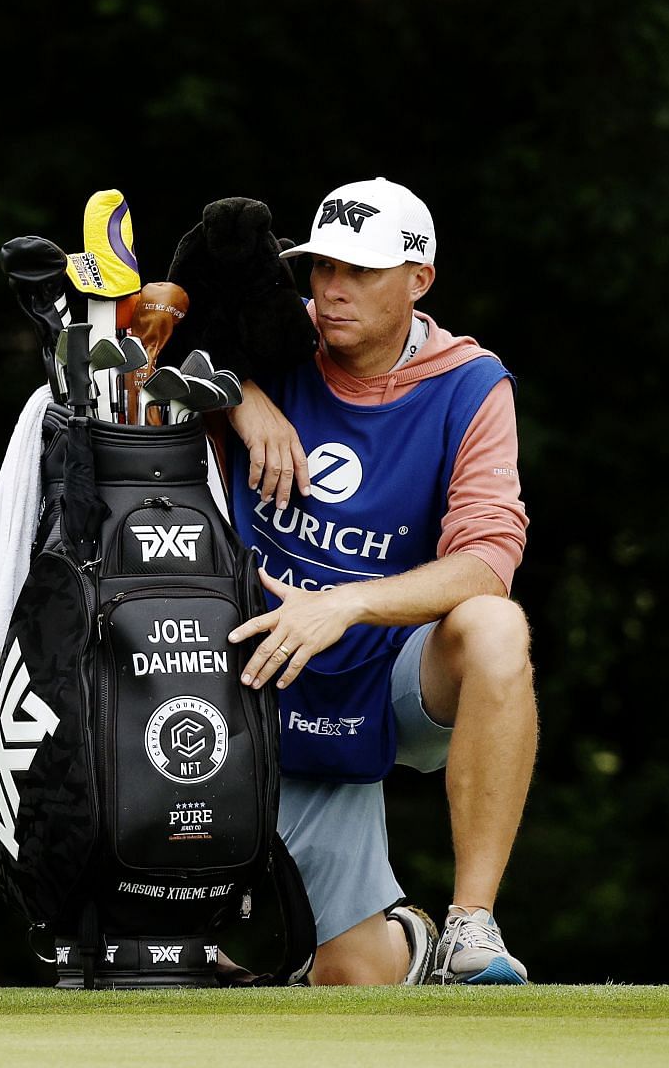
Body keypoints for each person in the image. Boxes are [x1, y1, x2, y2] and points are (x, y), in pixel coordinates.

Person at [221, 177, 535, 986]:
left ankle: (470, 925)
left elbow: (488, 562)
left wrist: (346, 603)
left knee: (497, 629)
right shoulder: (267, 347)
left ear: (418, 280)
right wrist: (241, 394)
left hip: (385, 675)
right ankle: (408, 939)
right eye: (322, 267)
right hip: (255, 676)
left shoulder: (472, 385)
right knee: (353, 977)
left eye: (359, 271)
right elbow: (145, 339)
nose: (331, 290)